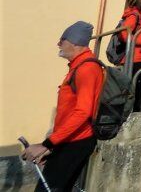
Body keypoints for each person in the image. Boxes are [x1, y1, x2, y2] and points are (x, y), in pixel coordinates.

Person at [21, 21, 103, 192]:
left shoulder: (87, 69)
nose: (59, 44)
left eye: (62, 40)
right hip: (68, 141)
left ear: (74, 43)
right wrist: (54, 147)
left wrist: (47, 144)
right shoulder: (79, 67)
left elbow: (82, 113)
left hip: (76, 142)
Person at [119, 0, 141, 109]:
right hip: (134, 59)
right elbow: (124, 34)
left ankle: (134, 110)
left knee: (138, 88)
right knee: (134, 88)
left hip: (139, 57)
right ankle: (130, 112)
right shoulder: (134, 16)